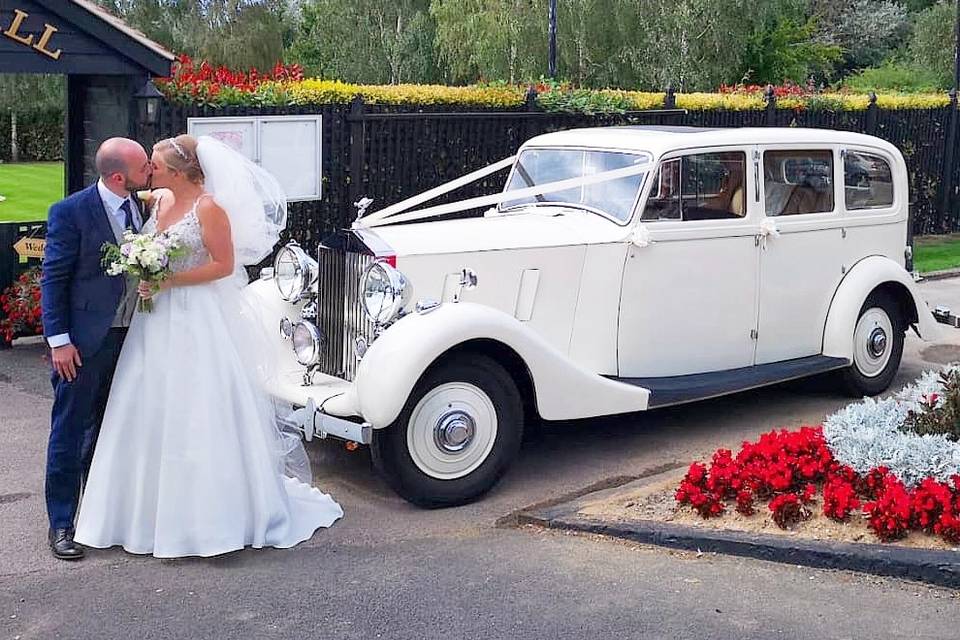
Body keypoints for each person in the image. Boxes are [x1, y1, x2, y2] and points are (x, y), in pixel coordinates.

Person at [73, 134, 342, 558]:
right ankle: (141, 512)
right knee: (147, 405)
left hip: (196, 316)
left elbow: (225, 265)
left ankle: (211, 516)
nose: (150, 172)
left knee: (200, 406)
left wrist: (167, 279)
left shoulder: (209, 209)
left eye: (156, 166)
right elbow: (116, 194)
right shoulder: (158, 200)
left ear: (178, 173)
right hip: (155, 321)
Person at [41, 137, 151, 560]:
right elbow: (53, 279)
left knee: (110, 429)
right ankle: (62, 523)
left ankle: (98, 515)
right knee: (70, 428)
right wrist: (59, 341)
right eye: (144, 166)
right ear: (120, 176)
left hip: (134, 338)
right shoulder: (70, 212)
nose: (151, 172)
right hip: (85, 342)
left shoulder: (142, 205)